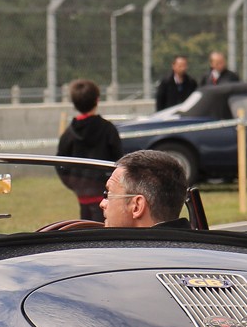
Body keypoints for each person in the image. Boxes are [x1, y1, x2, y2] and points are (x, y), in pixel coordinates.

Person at [56, 79, 123, 221]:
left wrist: (74, 183)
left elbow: (59, 163)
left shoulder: (68, 134)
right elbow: (119, 160)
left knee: (85, 226)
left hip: (81, 193)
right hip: (104, 191)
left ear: (74, 104)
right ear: (97, 100)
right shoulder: (108, 129)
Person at [102, 150, 188, 229]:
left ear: (137, 206)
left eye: (107, 195)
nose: (102, 204)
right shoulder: (192, 239)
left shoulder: (109, 240)